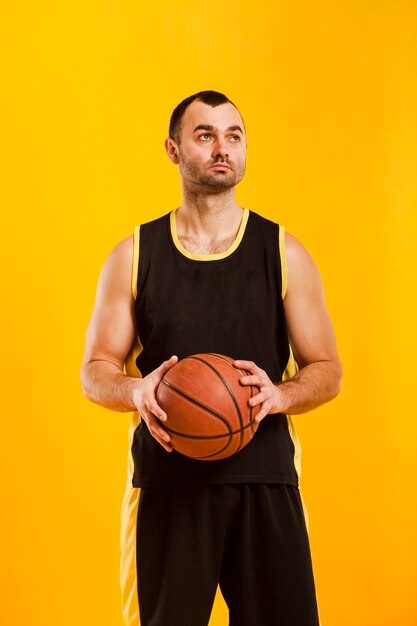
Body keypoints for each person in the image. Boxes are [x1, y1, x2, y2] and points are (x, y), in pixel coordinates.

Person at [80, 90, 342, 626]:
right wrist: (134, 389)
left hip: (265, 481)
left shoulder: (283, 251)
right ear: (174, 150)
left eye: (233, 135)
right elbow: (95, 371)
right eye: (205, 135)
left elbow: (328, 369)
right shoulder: (133, 255)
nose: (222, 147)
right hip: (167, 485)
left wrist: (281, 394)